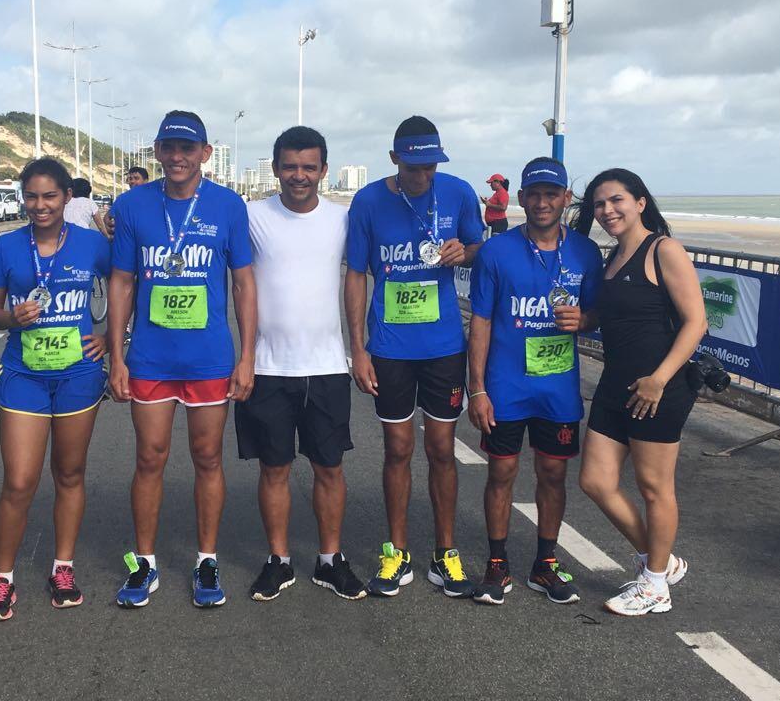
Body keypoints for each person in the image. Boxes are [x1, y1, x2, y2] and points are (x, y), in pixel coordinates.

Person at [108, 110, 256, 609]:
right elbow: (123, 282)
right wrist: (116, 355)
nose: (177, 157)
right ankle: (144, 562)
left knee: (207, 457)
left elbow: (243, 283)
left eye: (187, 148)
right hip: (149, 358)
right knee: (149, 458)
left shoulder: (229, 206)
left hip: (209, 359)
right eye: (168, 147)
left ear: (205, 154)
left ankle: (206, 558)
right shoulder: (131, 206)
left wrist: (247, 356)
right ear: (155, 151)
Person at [345, 115, 485, 598]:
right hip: (389, 349)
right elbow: (356, 275)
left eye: (431, 166)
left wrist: (461, 253)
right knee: (398, 448)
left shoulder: (460, 193)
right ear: (394, 160)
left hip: (445, 345)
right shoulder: (368, 202)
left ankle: (445, 554)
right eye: (414, 166)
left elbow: (477, 247)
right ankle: (396, 553)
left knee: (442, 449)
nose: (423, 176)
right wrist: (357, 349)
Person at [0, 158, 111, 621]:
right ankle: (2, 578)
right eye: (31, 196)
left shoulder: (93, 244)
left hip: (78, 374)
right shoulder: (5, 247)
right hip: (23, 375)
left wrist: (113, 334)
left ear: (66, 197)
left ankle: (63, 567)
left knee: (70, 474)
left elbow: (131, 284)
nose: (40, 205)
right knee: (19, 481)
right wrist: (10, 319)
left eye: (49, 196)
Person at [236, 126, 366, 601]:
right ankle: (279, 560)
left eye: (309, 167)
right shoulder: (250, 216)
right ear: (275, 169)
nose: (299, 175)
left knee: (329, 467)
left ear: (324, 170)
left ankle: (330, 560)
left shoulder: (343, 219)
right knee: (274, 469)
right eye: (289, 166)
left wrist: (359, 350)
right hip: (268, 368)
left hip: (328, 366)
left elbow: (361, 279)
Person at [467, 156, 603, 606]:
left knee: (552, 472)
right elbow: (481, 322)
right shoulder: (496, 251)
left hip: (557, 389)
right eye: (534, 194)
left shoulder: (585, 252)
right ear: (521, 199)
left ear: (566, 199)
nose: (543, 203)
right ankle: (497, 561)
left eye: (552, 194)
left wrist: (582, 319)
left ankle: (545, 564)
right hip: (506, 386)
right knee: (501, 472)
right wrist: (478, 388)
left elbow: (596, 315)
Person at [571, 168, 707, 616]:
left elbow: (696, 323)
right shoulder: (610, 259)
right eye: (599, 204)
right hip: (616, 383)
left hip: (658, 388)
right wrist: (584, 321)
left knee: (653, 488)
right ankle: (660, 562)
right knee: (595, 481)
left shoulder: (663, 249)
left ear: (640, 202)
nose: (607, 211)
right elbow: (616, 319)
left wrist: (660, 379)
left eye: (616, 201)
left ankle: (653, 585)